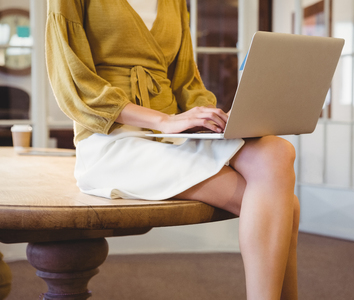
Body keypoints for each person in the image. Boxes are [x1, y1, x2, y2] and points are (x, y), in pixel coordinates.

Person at [46, 0, 300, 299]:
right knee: (288, 206)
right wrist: (163, 120)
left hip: (174, 133)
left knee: (277, 150)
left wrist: (210, 117)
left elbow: (186, 79)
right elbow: (73, 82)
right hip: (111, 138)